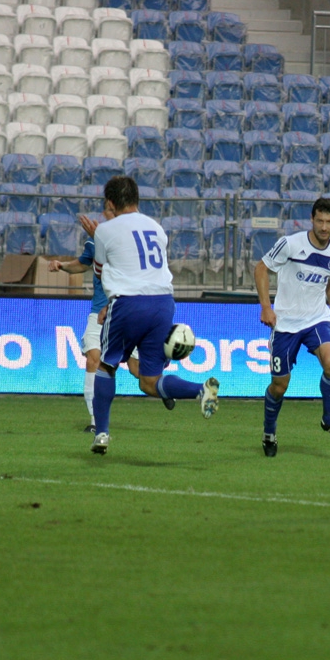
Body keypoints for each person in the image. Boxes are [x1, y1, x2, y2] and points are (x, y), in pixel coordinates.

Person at [87, 175, 219, 455]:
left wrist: (111, 301)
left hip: (128, 304)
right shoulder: (157, 227)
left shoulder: (104, 230)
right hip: (163, 303)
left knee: (106, 366)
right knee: (149, 381)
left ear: (110, 202)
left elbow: (99, 271)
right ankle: (200, 390)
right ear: (137, 199)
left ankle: (101, 433)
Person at [47, 207, 174, 433]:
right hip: (100, 313)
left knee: (137, 369)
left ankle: (162, 387)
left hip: (127, 310)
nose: (106, 215)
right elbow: (84, 263)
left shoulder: (127, 244)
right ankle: (96, 422)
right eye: (107, 211)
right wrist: (63, 266)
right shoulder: (98, 240)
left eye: (110, 210)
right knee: (93, 360)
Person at [254, 196, 330, 458]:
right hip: (285, 323)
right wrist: (266, 307)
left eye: (329, 221)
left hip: (316, 319)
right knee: (280, 386)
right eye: (319, 220)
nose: (323, 226)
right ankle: (269, 432)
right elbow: (261, 269)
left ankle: (329, 419)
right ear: (312, 219)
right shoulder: (291, 243)